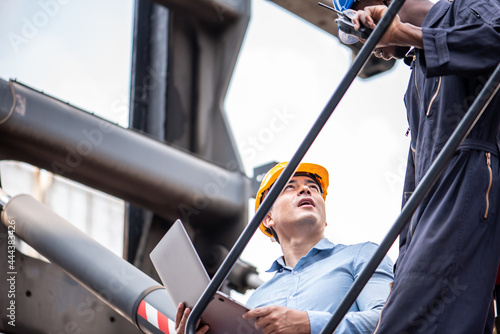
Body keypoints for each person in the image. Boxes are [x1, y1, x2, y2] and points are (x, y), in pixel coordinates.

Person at [342, 0, 500, 332]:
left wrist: (411, 35)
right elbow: (415, 186)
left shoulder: (467, 8)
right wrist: (405, 260)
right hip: (435, 208)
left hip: (473, 184)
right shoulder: (415, 82)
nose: (370, 45)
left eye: (361, 20)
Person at [175, 162, 394, 334]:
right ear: (268, 218)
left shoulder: (362, 256)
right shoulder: (255, 303)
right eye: (290, 187)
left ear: (324, 218)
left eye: (314, 188)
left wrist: (308, 324)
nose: (306, 190)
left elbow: (390, 318)